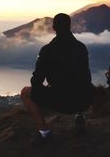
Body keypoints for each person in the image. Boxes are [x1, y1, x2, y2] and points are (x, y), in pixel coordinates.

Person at [20, 13, 94, 142]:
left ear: (54, 27)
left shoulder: (47, 50)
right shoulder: (81, 47)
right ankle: (79, 116)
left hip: (61, 100)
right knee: (80, 83)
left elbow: (37, 80)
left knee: (25, 92)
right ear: (69, 26)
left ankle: (44, 133)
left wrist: (46, 88)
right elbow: (86, 77)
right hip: (84, 99)